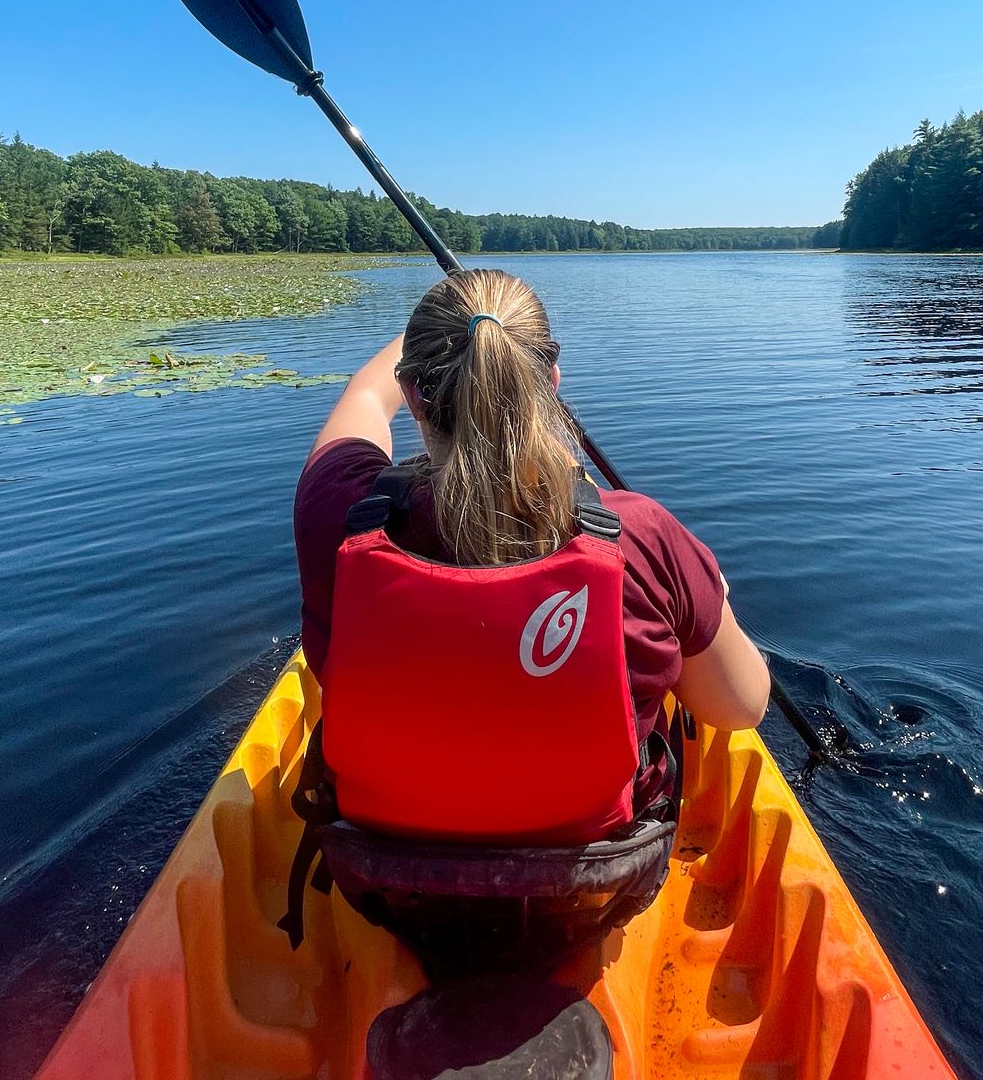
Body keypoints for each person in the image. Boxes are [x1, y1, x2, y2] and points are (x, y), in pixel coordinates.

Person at [294, 267, 770, 770]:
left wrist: (450, 330)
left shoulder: (338, 508)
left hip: (375, 847)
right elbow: (741, 706)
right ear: (549, 382)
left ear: (412, 391)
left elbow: (366, 396)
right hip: (599, 848)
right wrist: (710, 593)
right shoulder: (642, 536)